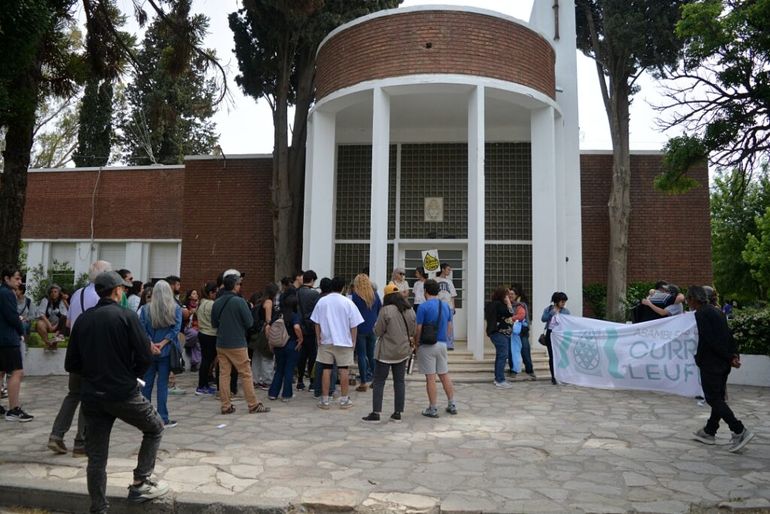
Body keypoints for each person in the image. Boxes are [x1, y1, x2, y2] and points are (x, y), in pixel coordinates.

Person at [65, 271, 168, 512]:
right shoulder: (126, 316)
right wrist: (133, 376)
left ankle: (98, 507)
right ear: (116, 291)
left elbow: (71, 364)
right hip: (123, 392)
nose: (124, 292)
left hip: (92, 395)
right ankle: (141, 482)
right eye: (122, 289)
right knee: (155, 427)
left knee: (97, 457)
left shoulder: (84, 320)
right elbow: (145, 355)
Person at [48, 260, 112, 455]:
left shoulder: (78, 294)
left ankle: (56, 434)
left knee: (73, 393)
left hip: (76, 350)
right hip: (93, 352)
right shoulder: (101, 297)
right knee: (90, 397)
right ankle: (81, 442)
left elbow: (68, 323)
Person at [687, 285, 754, 453]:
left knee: (713, 399)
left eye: (689, 300)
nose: (688, 303)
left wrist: (700, 358)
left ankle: (739, 430)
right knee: (717, 397)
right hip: (723, 363)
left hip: (712, 363)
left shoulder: (701, 314)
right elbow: (728, 335)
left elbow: (708, 340)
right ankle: (710, 431)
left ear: (695, 299)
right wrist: (733, 356)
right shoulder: (718, 311)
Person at [212, 271, 270, 415]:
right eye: (239, 284)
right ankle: (253, 404)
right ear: (235, 286)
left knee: (224, 374)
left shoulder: (217, 302)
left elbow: (214, 323)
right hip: (237, 342)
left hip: (221, 342)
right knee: (245, 373)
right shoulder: (239, 301)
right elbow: (249, 322)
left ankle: (225, 405)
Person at [362, 284, 416, 423]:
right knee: (399, 382)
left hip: (386, 352)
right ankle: (398, 412)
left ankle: (376, 412)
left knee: (379, 381)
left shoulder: (385, 310)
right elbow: (412, 330)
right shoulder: (409, 310)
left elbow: (378, 331)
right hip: (402, 351)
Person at [310, 276, 364, 409]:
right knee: (344, 369)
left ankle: (325, 399)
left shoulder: (322, 302)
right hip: (344, 341)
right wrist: (353, 341)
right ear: (343, 287)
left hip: (326, 340)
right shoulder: (348, 302)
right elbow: (354, 325)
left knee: (326, 369)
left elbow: (316, 323)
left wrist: (318, 338)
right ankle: (344, 399)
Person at [139, 280, 182, 428]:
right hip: (166, 352)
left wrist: (151, 344)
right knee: (162, 385)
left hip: (149, 352)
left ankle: (145, 417)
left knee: (146, 385)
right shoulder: (175, 309)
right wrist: (162, 343)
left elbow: (141, 330)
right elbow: (176, 329)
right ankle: (163, 417)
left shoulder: (145, 309)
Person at [414, 279, 457, 417]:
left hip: (427, 345)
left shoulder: (423, 307)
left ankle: (432, 408)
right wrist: (446, 338)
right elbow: (450, 327)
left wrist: (416, 342)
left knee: (431, 377)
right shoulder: (445, 306)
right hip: (442, 343)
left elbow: (419, 328)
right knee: (444, 375)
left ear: (425, 291)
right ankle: (451, 403)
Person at [1, 267, 33, 422]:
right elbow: (12, 317)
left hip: (2, 338)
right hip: (8, 339)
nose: (20, 282)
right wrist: (21, 330)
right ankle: (14, 409)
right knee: (17, 372)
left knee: (1, 371)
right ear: (7, 279)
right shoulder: (7, 294)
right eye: (17, 278)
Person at [268, 294, 301, 402]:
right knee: (289, 370)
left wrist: (271, 342)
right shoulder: (294, 315)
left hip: (278, 345)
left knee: (279, 369)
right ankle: (286, 394)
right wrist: (301, 339)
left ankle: (273, 393)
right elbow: (296, 327)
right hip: (291, 344)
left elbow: (268, 327)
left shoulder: (277, 314)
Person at [351, 273, 381, 392]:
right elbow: (379, 309)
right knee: (371, 354)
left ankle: (363, 382)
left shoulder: (355, 296)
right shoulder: (374, 295)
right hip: (372, 328)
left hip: (360, 328)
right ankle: (375, 379)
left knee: (361, 356)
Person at [484, 286, 515, 389]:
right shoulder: (499, 305)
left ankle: (498, 378)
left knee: (500, 356)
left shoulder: (491, 304)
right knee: (503, 355)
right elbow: (510, 313)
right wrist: (508, 303)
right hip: (500, 333)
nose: (508, 297)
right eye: (506, 295)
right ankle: (500, 380)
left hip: (497, 333)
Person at [295, 270, 320, 391]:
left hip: (298, 328)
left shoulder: (296, 292)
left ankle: (299, 380)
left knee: (301, 356)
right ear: (312, 280)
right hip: (310, 328)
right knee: (312, 356)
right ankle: (312, 381)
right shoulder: (314, 294)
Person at [195, 282, 218, 396]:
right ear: (211, 293)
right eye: (215, 292)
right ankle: (202, 385)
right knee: (207, 361)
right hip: (211, 334)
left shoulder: (201, 303)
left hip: (202, 332)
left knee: (206, 360)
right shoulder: (211, 304)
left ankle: (203, 384)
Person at [541, 292, 570, 385]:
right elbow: (543, 319)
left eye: (564, 301)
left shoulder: (566, 311)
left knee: (562, 355)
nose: (563, 303)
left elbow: (569, 322)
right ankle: (554, 376)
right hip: (551, 333)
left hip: (561, 334)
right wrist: (551, 313)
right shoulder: (549, 309)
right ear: (556, 301)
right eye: (562, 301)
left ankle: (563, 376)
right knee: (552, 356)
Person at [249, 288, 275, 390]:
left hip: (256, 333)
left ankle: (255, 379)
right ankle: (266, 381)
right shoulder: (268, 302)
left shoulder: (259, 302)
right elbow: (268, 320)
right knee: (267, 356)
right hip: (264, 332)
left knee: (256, 357)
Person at [511, 283, 536, 379]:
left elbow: (522, 316)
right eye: (509, 294)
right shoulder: (508, 305)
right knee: (512, 352)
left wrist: (511, 318)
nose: (510, 296)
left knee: (525, 350)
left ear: (517, 295)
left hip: (522, 331)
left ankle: (529, 370)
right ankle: (513, 370)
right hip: (512, 333)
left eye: (512, 294)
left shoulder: (521, 305)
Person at [35, 284, 68, 350]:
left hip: (58, 325)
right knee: (39, 324)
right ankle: (48, 343)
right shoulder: (45, 300)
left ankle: (54, 343)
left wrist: (55, 326)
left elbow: (64, 315)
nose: (53, 293)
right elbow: (41, 314)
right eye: (52, 292)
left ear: (59, 293)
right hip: (48, 323)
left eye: (55, 292)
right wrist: (50, 325)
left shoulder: (62, 301)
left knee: (64, 319)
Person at [435, 262, 457, 350]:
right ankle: (439, 342)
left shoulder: (449, 282)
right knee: (438, 323)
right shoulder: (435, 280)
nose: (449, 271)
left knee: (450, 324)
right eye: (448, 269)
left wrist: (454, 307)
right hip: (438, 305)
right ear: (443, 269)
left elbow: (453, 295)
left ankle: (449, 344)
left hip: (449, 306)